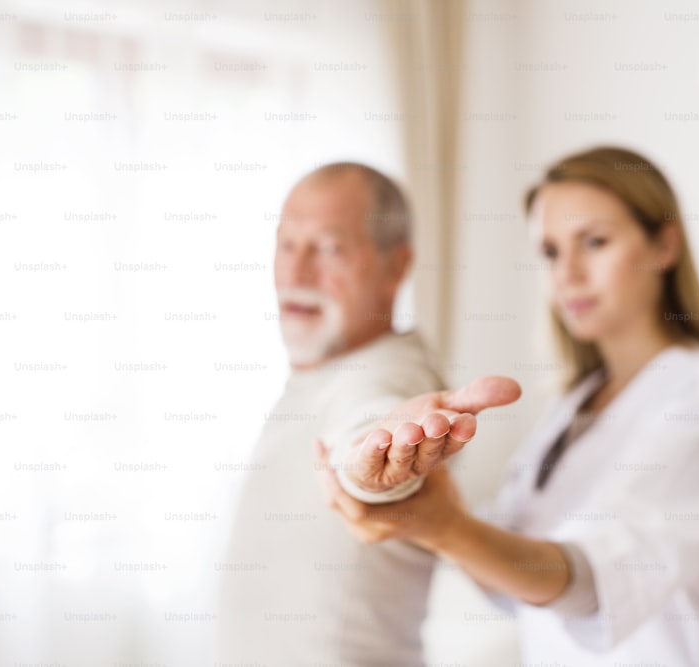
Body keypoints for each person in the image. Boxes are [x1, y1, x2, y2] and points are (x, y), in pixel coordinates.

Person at [319, 147, 699, 666]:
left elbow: (592, 586)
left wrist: (446, 526)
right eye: (551, 252)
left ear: (664, 245)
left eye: (595, 242)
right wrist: (414, 491)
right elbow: (517, 582)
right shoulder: (574, 406)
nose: (568, 274)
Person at [218, 162, 516, 665]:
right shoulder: (320, 370)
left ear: (396, 267)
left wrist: (374, 465)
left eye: (329, 248)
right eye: (287, 245)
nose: (296, 272)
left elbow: (369, 423)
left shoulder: (389, 374)